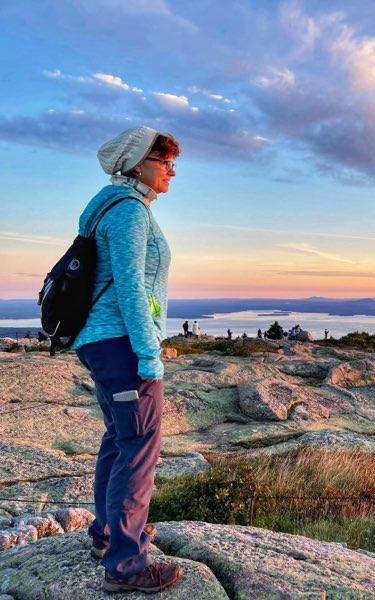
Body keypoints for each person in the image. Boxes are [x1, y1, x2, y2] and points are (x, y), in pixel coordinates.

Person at [72, 127, 184, 592]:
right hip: (120, 343)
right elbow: (132, 290)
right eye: (164, 161)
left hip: (102, 342)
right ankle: (126, 565)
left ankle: (106, 535)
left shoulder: (107, 207)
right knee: (138, 448)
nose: (172, 171)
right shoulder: (129, 214)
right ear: (137, 162)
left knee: (120, 440)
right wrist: (148, 353)